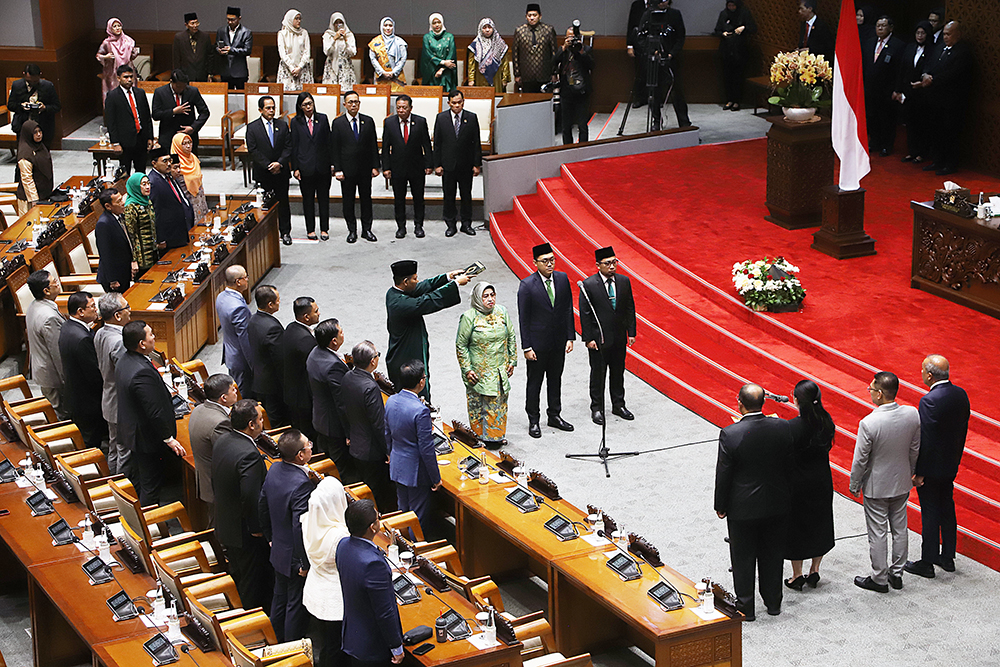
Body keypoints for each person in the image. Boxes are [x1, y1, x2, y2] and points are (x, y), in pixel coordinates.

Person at [715, 384, 793, 621]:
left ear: (739, 403)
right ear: (764, 403)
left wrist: (720, 506)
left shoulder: (730, 433)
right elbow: (789, 465)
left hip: (743, 508)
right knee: (773, 554)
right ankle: (773, 603)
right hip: (776, 503)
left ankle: (746, 608)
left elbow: (724, 474)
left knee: (743, 557)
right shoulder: (782, 427)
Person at [850, 371, 920, 593]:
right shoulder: (912, 414)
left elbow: (860, 459)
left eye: (870, 389)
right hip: (901, 481)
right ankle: (896, 573)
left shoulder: (869, 423)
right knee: (900, 527)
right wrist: (912, 471)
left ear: (879, 394)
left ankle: (879, 578)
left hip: (876, 486)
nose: (869, 393)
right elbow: (914, 449)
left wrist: (854, 484)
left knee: (878, 532)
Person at [905, 355, 970, 578]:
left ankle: (927, 561)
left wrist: (919, 472)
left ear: (930, 375)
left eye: (922, 369)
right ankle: (948, 557)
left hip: (931, 469)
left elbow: (927, 439)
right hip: (950, 465)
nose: (921, 372)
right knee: (947, 509)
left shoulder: (929, 400)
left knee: (930, 513)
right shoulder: (960, 395)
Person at [116, 321, 186, 505]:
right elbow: (154, 411)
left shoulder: (125, 359)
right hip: (146, 437)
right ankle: (149, 524)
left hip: (132, 429)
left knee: (142, 477)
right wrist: (169, 439)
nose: (154, 337)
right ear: (142, 344)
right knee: (150, 484)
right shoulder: (141, 372)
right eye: (151, 335)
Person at [212, 399, 271, 611]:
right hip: (245, 532)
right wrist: (257, 529)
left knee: (238, 574)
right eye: (260, 419)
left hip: (226, 522)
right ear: (251, 425)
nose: (263, 423)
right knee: (252, 583)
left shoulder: (223, 439)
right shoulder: (249, 454)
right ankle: (253, 626)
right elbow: (252, 495)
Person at [259, 430, 316, 643]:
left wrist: (269, 536)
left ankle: (274, 643)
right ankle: (292, 652)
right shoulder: (302, 485)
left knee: (279, 599)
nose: (311, 445)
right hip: (294, 556)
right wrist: (304, 562)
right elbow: (299, 526)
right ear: (301, 455)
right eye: (308, 443)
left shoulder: (274, 469)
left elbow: (262, 504)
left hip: (278, 548)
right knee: (295, 605)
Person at [386, 260, 469, 402]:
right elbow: (426, 301)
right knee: (414, 397)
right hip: (406, 358)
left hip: (408, 352)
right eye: (415, 278)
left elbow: (423, 287)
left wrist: (448, 277)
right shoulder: (399, 303)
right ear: (405, 281)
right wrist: (455, 284)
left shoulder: (396, 292)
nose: (417, 281)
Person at [336, 499, 404, 667]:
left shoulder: (343, 546)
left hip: (353, 636)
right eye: (378, 518)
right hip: (373, 646)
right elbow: (385, 611)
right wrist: (396, 647)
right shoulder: (373, 564)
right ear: (373, 527)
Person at [518, 243, 575, 439]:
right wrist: (526, 346)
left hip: (558, 341)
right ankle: (533, 420)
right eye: (545, 261)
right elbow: (523, 318)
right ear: (535, 263)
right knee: (535, 382)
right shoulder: (527, 285)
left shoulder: (562, 279)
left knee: (555, 379)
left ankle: (554, 415)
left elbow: (568, 308)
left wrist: (570, 336)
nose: (550, 264)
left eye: (552, 260)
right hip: (537, 344)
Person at [783, 379, 836, 590]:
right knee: (819, 523)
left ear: (796, 400)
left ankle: (797, 575)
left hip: (798, 483)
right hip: (821, 480)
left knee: (796, 526)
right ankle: (815, 570)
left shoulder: (792, 427)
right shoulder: (826, 420)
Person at [579, 246, 636, 425]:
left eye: (614, 262)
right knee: (598, 374)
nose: (612, 267)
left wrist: (631, 332)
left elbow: (629, 308)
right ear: (598, 265)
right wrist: (588, 338)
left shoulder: (624, 281)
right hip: (599, 339)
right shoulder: (589, 285)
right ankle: (596, 407)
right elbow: (585, 314)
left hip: (618, 337)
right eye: (607, 263)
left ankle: (618, 404)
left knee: (618, 372)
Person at [385, 360, 441, 537]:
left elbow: (386, 433)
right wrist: (436, 478)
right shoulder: (420, 410)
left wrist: (390, 455)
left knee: (403, 512)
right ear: (421, 382)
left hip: (397, 465)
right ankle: (415, 554)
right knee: (417, 518)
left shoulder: (391, 400)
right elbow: (426, 448)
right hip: (416, 473)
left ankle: (402, 547)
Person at [456, 283, 517, 441]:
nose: (490, 299)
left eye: (492, 295)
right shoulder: (469, 317)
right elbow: (461, 345)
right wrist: (467, 370)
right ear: (477, 298)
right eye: (486, 296)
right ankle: (480, 437)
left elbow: (511, 336)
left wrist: (512, 361)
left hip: (499, 369)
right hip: (479, 371)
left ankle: (496, 437)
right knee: (480, 404)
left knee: (499, 403)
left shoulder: (501, 311)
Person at [341, 341, 395, 513]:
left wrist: (348, 433)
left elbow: (342, 408)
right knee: (380, 492)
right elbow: (378, 423)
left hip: (356, 443)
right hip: (371, 451)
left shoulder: (347, 376)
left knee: (367, 486)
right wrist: (388, 450)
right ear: (373, 361)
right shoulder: (370, 387)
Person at [301, 476, 349, 667]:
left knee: (324, 644)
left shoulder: (308, 521)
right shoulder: (340, 536)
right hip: (336, 599)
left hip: (315, 591)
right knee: (336, 648)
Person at [918, 21, 973, 176]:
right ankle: (937, 160)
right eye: (944, 34)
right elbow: (929, 64)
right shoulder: (939, 48)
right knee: (936, 131)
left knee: (950, 133)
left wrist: (933, 79)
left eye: (949, 34)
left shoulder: (962, 52)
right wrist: (925, 75)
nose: (946, 37)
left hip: (952, 102)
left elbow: (953, 74)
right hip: (936, 100)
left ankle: (950, 164)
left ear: (958, 34)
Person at [307, 318, 358, 483]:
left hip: (320, 418)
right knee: (340, 467)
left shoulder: (314, 353)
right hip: (333, 426)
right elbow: (341, 402)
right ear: (334, 341)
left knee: (327, 458)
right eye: (341, 331)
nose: (343, 332)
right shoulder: (332, 367)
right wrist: (349, 432)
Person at [60, 292, 108, 452]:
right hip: (87, 402)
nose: (96, 310)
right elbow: (94, 374)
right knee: (90, 443)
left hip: (75, 396)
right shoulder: (82, 338)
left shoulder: (67, 326)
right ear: (80, 312)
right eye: (93, 306)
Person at [381, 94, 433, 239]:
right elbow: (385, 147)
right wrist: (386, 167)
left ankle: (418, 226)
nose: (401, 110)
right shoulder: (389, 122)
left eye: (404, 107)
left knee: (418, 198)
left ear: (410, 108)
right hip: (397, 167)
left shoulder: (420, 121)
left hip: (417, 166)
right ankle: (401, 227)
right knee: (399, 199)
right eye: (398, 107)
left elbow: (426, 145)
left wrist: (429, 164)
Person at [330, 90, 379, 243]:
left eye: (356, 102)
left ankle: (367, 230)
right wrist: (337, 169)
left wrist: (375, 166)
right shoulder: (338, 123)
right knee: (348, 201)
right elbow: (335, 148)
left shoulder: (368, 121)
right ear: (344, 104)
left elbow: (373, 145)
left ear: (359, 104)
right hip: (347, 170)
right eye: (350, 102)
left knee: (366, 200)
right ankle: (352, 230)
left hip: (365, 169)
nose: (353, 104)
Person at [187, 373, 236, 520]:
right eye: (233, 389)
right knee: (220, 525)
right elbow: (229, 457)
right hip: (217, 487)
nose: (236, 392)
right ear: (224, 397)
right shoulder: (220, 423)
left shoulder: (198, 409)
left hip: (204, 478)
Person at [433, 90, 482, 237]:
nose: (457, 105)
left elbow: (476, 143)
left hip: (466, 164)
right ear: (448, 103)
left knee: (466, 195)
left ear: (463, 102)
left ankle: (466, 224)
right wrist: (438, 165)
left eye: (459, 102)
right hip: (448, 165)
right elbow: (437, 143)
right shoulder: (441, 118)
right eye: (453, 103)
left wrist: (476, 164)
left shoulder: (471, 118)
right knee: (449, 195)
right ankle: (450, 224)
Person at [245, 96, 293, 244]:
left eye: (273, 107)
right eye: (268, 108)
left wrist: (279, 163)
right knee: (265, 206)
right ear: (260, 110)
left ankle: (285, 232)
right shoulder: (252, 128)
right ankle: (266, 234)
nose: (271, 110)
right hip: (263, 173)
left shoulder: (283, 125)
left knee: (283, 203)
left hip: (281, 172)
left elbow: (288, 147)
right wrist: (268, 165)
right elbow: (253, 150)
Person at [637, 0, 690, 130]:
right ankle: (656, 121)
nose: (663, 3)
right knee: (654, 91)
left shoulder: (675, 14)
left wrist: (671, 54)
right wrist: (653, 51)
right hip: (654, 60)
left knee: (677, 92)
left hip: (672, 59)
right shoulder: (647, 15)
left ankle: (684, 123)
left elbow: (680, 36)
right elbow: (641, 37)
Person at [94, 293, 131, 476]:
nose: (130, 311)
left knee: (114, 447)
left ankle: (113, 482)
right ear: (117, 315)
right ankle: (122, 489)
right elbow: (126, 376)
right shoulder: (119, 342)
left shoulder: (100, 332)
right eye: (127, 308)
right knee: (124, 451)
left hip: (108, 399)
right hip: (119, 403)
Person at [290, 92, 332, 240]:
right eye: (305, 105)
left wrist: (332, 164)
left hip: (322, 166)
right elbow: (294, 145)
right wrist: (295, 168)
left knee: (324, 199)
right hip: (305, 166)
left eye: (310, 103)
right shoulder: (295, 122)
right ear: (300, 107)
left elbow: (329, 142)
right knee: (308, 200)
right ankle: (310, 229)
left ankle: (324, 229)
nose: (308, 107)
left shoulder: (322, 118)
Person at [25, 270, 67, 418]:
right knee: (59, 413)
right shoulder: (49, 317)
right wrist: (66, 379)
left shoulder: (33, 305)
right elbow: (57, 352)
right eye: (54, 281)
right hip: (52, 374)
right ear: (46, 290)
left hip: (42, 369)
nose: (57, 283)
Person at [863, 16, 904, 157]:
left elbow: (900, 70)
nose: (880, 28)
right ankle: (874, 142)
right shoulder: (869, 43)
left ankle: (887, 145)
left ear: (890, 28)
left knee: (887, 118)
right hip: (870, 88)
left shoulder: (898, 45)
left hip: (887, 89)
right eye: (877, 25)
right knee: (872, 117)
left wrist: (897, 89)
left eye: (883, 25)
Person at [893, 22, 933, 164]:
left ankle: (921, 153)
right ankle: (912, 151)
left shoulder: (932, 50)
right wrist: (898, 89)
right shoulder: (910, 48)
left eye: (923, 33)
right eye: (918, 33)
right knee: (910, 124)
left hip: (924, 95)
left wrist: (922, 83)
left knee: (922, 124)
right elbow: (902, 69)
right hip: (909, 92)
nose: (920, 36)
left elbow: (930, 70)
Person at [103, 65, 153, 176]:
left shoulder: (140, 93)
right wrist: (115, 143)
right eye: (126, 77)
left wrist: (150, 137)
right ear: (118, 78)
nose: (129, 80)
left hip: (141, 139)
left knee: (141, 171)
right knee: (125, 173)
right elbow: (111, 122)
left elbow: (146, 117)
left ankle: (139, 193)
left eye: (131, 77)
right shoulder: (112, 96)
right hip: (124, 141)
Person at [249, 284, 287, 427]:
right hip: (272, 384)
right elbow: (280, 359)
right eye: (277, 300)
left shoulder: (253, 319)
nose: (279, 302)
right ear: (270, 304)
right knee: (276, 420)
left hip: (258, 378)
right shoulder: (272, 327)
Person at [283, 297, 319, 439]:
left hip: (292, 391)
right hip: (303, 397)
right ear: (306, 317)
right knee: (307, 433)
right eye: (316, 311)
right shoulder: (305, 340)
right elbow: (315, 367)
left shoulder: (291, 327)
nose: (319, 313)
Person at [216, 265, 254, 396]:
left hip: (230, 353)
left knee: (234, 388)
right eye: (245, 277)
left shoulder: (221, 297)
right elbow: (245, 338)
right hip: (240, 359)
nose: (247, 280)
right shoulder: (238, 308)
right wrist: (253, 364)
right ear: (238, 282)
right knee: (243, 395)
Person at [152, 70, 210, 155]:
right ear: (171, 82)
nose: (181, 89)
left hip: (188, 136)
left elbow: (205, 112)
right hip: (168, 136)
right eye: (178, 86)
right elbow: (155, 115)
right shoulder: (160, 92)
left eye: (184, 87)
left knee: (190, 165)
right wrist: (173, 111)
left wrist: (193, 127)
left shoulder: (192, 91)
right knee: (171, 165)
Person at [553, 26, 594, 145]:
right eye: (569, 37)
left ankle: (583, 148)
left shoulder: (586, 49)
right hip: (566, 92)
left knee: (582, 124)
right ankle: (567, 149)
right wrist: (564, 48)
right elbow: (553, 61)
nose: (572, 40)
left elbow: (591, 65)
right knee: (566, 125)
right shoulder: (564, 50)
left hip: (582, 92)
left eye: (573, 37)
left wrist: (581, 51)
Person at [147, 147, 194, 250]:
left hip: (180, 231)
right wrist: (160, 239)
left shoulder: (167, 176)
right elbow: (157, 211)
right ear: (154, 163)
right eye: (164, 161)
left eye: (169, 160)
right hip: (169, 236)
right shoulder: (153, 182)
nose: (168, 164)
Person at [713, 1, 756, 111]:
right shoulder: (724, 14)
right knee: (727, 77)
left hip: (740, 50)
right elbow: (717, 30)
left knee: (738, 77)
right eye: (729, 6)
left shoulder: (744, 13)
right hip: (726, 50)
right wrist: (723, 34)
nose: (731, 8)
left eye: (733, 6)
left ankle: (737, 101)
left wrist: (743, 28)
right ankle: (729, 100)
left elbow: (753, 28)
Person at [7, 64, 61, 148]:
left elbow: (57, 106)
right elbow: (10, 105)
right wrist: (21, 106)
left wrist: (45, 108)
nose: (32, 83)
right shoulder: (17, 85)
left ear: (40, 75)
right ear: (24, 74)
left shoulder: (48, 86)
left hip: (43, 125)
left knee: (42, 156)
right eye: (29, 81)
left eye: (35, 81)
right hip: (23, 125)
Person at [95, 188, 136, 292]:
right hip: (113, 277)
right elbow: (105, 253)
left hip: (123, 271)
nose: (123, 203)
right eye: (119, 201)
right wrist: (112, 279)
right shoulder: (104, 224)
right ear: (108, 206)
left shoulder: (119, 216)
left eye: (122, 199)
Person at [513, 4, 557, 93]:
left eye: (534, 15)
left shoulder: (548, 30)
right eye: (529, 16)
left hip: (544, 73)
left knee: (544, 102)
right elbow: (515, 54)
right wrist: (517, 74)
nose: (532, 18)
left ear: (540, 16)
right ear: (526, 17)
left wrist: (554, 73)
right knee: (528, 102)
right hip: (526, 75)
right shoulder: (520, 31)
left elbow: (554, 53)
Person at [14, 120, 53, 216]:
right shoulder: (25, 154)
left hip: (44, 196)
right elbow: (27, 179)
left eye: (40, 131)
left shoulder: (41, 147)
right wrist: (34, 200)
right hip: (30, 201)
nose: (39, 134)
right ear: (28, 134)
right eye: (35, 132)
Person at [122, 173, 158, 275]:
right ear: (136, 186)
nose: (147, 187)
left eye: (148, 183)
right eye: (143, 184)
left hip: (153, 252)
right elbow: (130, 236)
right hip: (141, 257)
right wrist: (134, 260)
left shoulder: (147, 201)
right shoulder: (130, 207)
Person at [170, 132, 208, 220]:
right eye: (184, 144)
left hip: (199, 197)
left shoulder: (193, 158)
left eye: (189, 142)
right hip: (186, 199)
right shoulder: (175, 164)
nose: (188, 146)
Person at [96, 18, 138, 101]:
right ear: (110, 29)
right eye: (114, 26)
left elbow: (133, 55)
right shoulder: (107, 43)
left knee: (130, 93)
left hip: (127, 69)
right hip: (113, 73)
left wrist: (133, 52)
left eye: (119, 26)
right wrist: (106, 57)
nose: (117, 28)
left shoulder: (128, 40)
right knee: (115, 96)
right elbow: (98, 55)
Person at [467, 18, 511, 93]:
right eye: (484, 27)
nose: (487, 30)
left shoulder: (500, 44)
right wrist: (471, 79)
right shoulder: (475, 44)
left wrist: (505, 78)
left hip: (496, 77)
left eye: (489, 27)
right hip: (480, 77)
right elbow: (471, 64)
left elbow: (505, 62)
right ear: (480, 29)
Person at [216, 7, 253, 90]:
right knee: (226, 97)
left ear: (239, 18)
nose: (230, 22)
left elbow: (247, 50)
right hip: (225, 71)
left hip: (240, 71)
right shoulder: (221, 31)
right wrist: (219, 50)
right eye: (228, 19)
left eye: (233, 20)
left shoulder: (246, 32)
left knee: (242, 97)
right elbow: (216, 46)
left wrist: (230, 50)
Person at [277, 10, 313, 92]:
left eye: (299, 19)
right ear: (290, 19)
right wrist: (292, 68)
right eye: (296, 19)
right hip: (287, 69)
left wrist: (299, 67)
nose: (299, 21)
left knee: (304, 95)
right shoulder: (282, 34)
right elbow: (282, 54)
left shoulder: (304, 33)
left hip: (303, 69)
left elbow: (307, 52)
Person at [173, 12, 213, 82]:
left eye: (197, 23)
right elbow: (176, 58)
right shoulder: (179, 38)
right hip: (185, 74)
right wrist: (177, 75)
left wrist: (210, 73)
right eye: (192, 23)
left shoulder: (205, 36)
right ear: (186, 25)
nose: (195, 25)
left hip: (202, 74)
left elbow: (209, 56)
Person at [369, 17, 407, 92]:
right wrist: (382, 72)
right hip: (380, 77)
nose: (388, 28)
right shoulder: (375, 42)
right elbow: (373, 59)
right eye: (385, 25)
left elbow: (403, 58)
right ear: (381, 26)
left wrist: (394, 72)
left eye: (390, 25)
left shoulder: (400, 42)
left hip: (396, 77)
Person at [421, 14, 456, 89]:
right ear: (430, 24)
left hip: (446, 71)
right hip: (431, 70)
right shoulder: (427, 37)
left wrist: (442, 69)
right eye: (434, 23)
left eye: (439, 22)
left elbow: (451, 55)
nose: (437, 25)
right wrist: (443, 62)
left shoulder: (449, 37)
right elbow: (427, 54)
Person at [322, 13, 357, 87]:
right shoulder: (328, 35)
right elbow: (327, 51)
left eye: (340, 22)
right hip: (331, 67)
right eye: (336, 23)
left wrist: (345, 40)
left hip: (345, 67)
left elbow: (353, 52)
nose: (338, 25)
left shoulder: (349, 35)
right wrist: (334, 38)